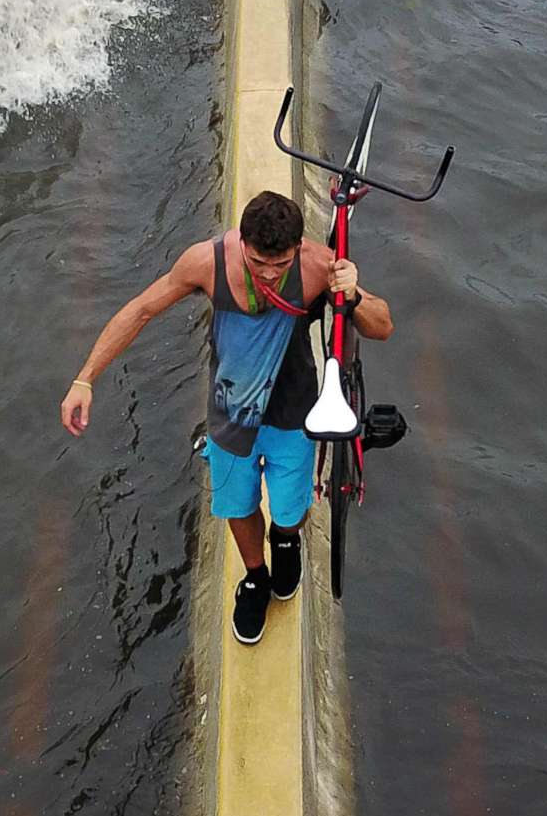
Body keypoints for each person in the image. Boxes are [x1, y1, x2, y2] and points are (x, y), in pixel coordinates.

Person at [61, 190, 394, 645]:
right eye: (259, 264)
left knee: (288, 508)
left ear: (298, 247)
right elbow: (141, 310)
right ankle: (255, 577)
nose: (271, 275)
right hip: (230, 415)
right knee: (237, 505)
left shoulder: (319, 266)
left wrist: (351, 294)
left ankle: (285, 541)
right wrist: (85, 378)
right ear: (241, 243)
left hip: (293, 413)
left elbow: (382, 326)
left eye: (281, 265)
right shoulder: (205, 263)